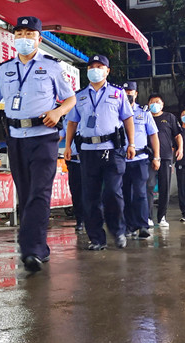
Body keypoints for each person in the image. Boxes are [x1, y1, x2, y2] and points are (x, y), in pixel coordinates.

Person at [0, 15, 75, 273]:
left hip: (44, 137)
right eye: (19, 34)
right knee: (26, 193)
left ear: (39, 39)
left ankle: (31, 250)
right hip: (16, 138)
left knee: (40, 191)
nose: (23, 38)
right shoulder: (4, 69)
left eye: (29, 34)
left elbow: (70, 99)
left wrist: (58, 112)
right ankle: (39, 247)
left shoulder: (52, 67)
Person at [64, 55, 136, 250]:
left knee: (112, 192)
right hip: (87, 151)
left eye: (99, 66)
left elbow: (128, 118)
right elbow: (72, 122)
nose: (95, 70)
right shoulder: (79, 96)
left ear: (107, 71)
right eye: (91, 67)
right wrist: (68, 146)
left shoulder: (118, 93)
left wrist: (131, 144)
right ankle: (96, 238)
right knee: (90, 197)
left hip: (113, 150)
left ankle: (118, 230)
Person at [121, 81, 159, 240]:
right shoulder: (116, 111)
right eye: (125, 92)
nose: (128, 94)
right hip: (121, 160)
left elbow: (153, 135)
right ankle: (129, 226)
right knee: (125, 194)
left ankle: (143, 225)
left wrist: (156, 157)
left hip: (140, 159)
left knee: (140, 193)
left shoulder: (144, 112)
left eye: (130, 92)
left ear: (136, 93)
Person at [146, 94, 182, 228]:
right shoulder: (145, 116)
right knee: (148, 186)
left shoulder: (169, 117)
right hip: (148, 156)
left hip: (166, 157)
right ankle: (148, 217)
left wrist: (180, 148)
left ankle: (162, 217)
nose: (154, 104)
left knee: (164, 187)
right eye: (152, 102)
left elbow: (177, 135)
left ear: (162, 104)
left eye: (157, 102)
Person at [62, 120, 85, 232]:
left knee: (93, 192)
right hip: (74, 161)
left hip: (91, 160)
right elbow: (60, 135)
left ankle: (95, 219)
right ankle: (80, 220)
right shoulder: (67, 120)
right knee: (76, 192)